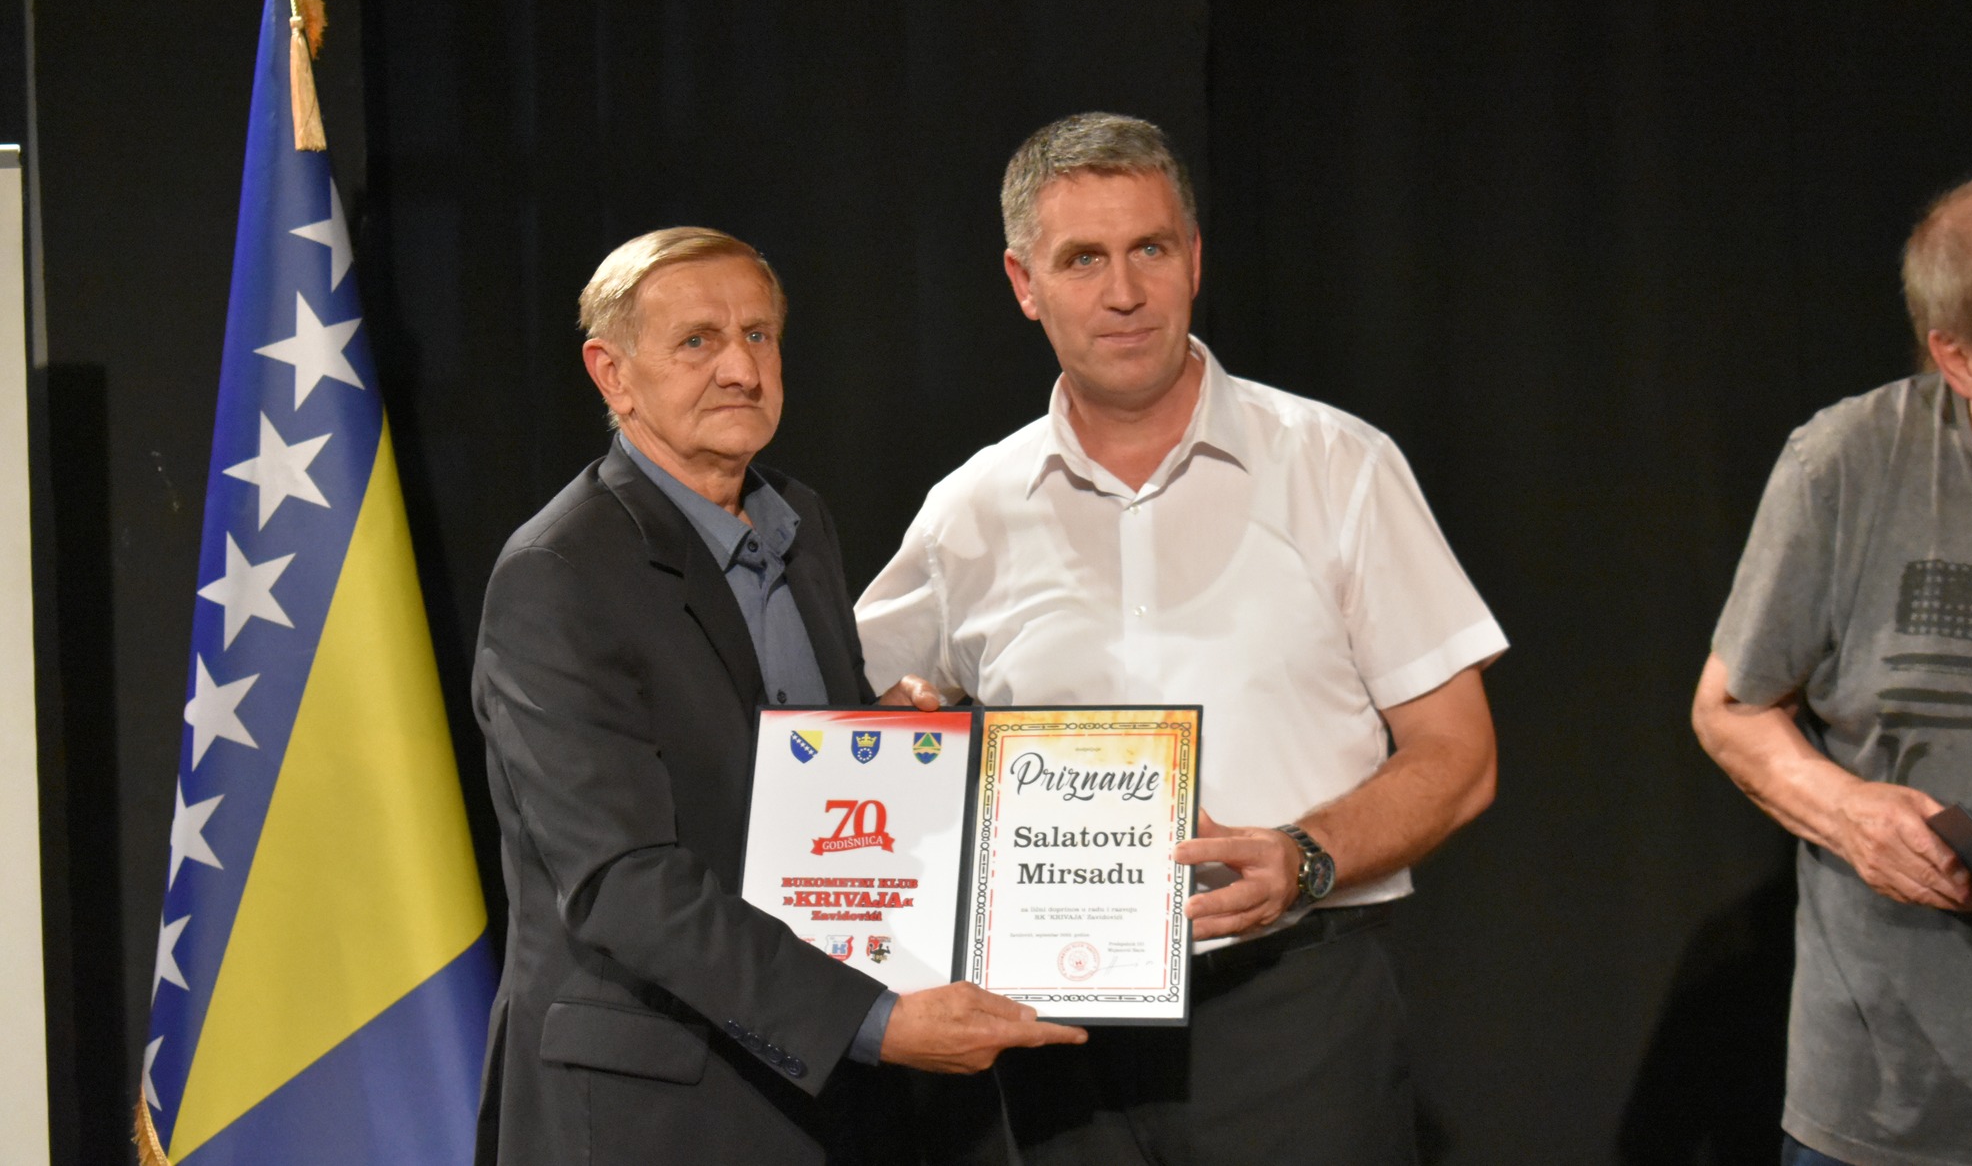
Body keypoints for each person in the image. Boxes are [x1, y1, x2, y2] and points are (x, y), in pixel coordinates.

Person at [855, 114, 1504, 1163]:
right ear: (1023, 283)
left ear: (1194, 260)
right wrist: (902, 737)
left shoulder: (1337, 466)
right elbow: (860, 732)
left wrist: (1305, 856)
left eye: (1149, 249)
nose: (1123, 292)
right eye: (1082, 259)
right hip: (1053, 1036)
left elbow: (1459, 756)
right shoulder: (966, 512)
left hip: (1291, 1010)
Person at [470, 227, 1084, 1166]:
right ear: (612, 374)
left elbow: (778, 779)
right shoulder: (559, 573)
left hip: (819, 1090)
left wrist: (886, 741)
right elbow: (622, 882)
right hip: (657, 1110)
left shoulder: (798, 521)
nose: (740, 368)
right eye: (697, 341)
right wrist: (874, 1021)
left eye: (758, 335)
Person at [1694, 170, 1972, 1166]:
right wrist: (1847, 812)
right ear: (1959, 358)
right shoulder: (1850, 464)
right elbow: (1730, 709)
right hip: (1896, 1108)